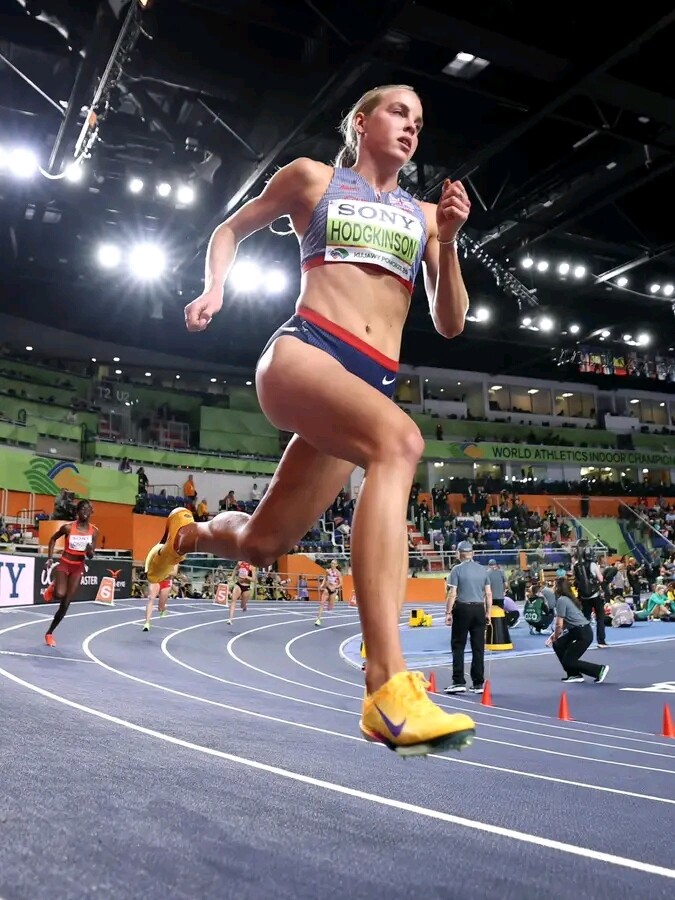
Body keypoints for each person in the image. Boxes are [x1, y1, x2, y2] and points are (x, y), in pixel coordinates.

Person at [144, 84, 476, 756]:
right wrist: (214, 287)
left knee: (261, 545)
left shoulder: (423, 216)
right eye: (398, 112)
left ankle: (186, 535)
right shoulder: (314, 179)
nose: (411, 126)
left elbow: (449, 322)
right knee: (400, 441)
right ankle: (385, 685)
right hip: (305, 353)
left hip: (363, 386)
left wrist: (448, 241)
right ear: (361, 121)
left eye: (419, 120)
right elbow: (230, 228)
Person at [44, 500, 98, 647]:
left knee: (66, 603)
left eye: (88, 510)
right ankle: (53, 587)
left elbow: (91, 556)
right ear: (77, 512)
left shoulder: (94, 531)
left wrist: (90, 551)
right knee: (59, 594)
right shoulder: (68, 528)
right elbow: (53, 539)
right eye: (83, 509)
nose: (86, 512)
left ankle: (49, 633)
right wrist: (50, 558)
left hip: (78, 567)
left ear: (91, 513)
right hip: (65, 563)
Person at [444, 541, 492, 694]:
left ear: (459, 554)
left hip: (463, 608)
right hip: (479, 609)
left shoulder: (456, 570)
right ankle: (478, 683)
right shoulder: (482, 570)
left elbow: (452, 594)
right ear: (473, 553)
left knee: (458, 645)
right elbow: (488, 593)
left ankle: (458, 681)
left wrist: (448, 613)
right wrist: (488, 612)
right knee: (478, 647)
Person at [546, 577, 609, 684]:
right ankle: (574, 674)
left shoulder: (561, 600)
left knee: (569, 661)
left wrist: (555, 636)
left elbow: (559, 624)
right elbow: (565, 623)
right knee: (558, 644)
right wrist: (553, 637)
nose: (553, 588)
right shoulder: (567, 599)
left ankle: (599, 670)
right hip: (578, 631)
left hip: (582, 633)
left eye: (554, 585)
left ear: (558, 588)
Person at [573, 541, 608, 648]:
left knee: (585, 618)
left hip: (583, 595)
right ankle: (601, 641)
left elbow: (577, 579)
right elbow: (600, 579)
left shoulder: (576, 565)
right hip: (595, 594)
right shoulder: (593, 565)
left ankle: (582, 639)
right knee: (600, 617)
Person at [142, 566, 176, 632]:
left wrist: (162, 569)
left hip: (166, 582)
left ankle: (163, 608)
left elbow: (174, 573)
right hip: (155, 580)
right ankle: (147, 623)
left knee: (160, 607)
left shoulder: (174, 560)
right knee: (151, 599)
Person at [316, 559, 342, 626]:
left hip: (333, 590)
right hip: (327, 589)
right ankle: (318, 619)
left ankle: (335, 598)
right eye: (332, 563)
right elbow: (325, 578)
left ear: (336, 565)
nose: (332, 565)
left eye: (334, 564)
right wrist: (322, 585)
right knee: (322, 603)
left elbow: (341, 583)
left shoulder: (338, 573)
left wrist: (335, 587)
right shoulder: (328, 571)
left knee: (329, 608)